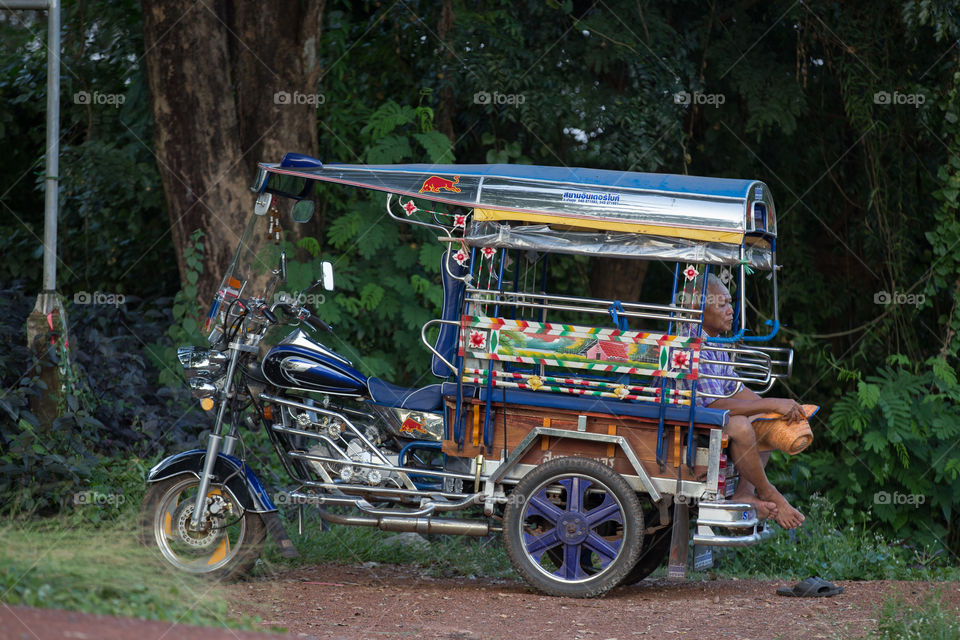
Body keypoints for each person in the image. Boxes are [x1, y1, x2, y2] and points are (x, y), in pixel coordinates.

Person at [679, 273, 805, 530]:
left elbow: (734, 389)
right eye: (721, 304)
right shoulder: (693, 342)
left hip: (704, 417)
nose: (730, 310)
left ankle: (745, 493)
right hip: (683, 421)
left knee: (765, 422)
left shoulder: (714, 341)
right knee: (739, 425)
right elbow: (716, 406)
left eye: (730, 302)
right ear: (697, 309)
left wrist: (779, 411)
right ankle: (768, 492)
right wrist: (771, 404)